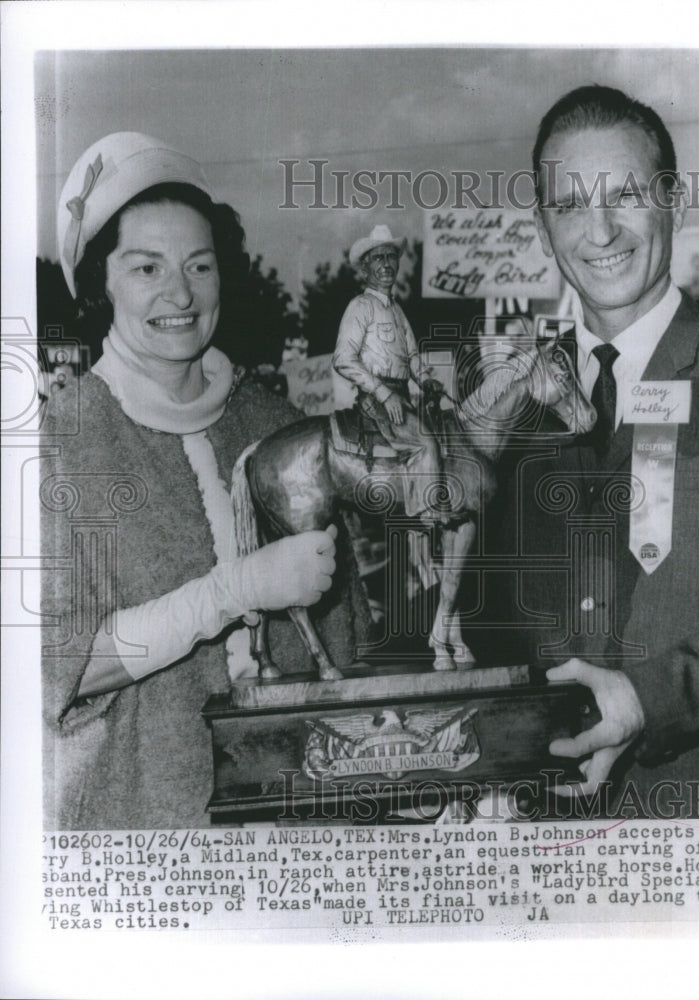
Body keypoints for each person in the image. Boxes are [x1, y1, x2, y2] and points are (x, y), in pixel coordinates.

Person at [41, 132, 370, 830]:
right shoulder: (60, 443)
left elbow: (350, 643)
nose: (180, 294)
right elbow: (62, 667)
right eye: (145, 268)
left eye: (198, 264)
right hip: (146, 826)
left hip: (303, 817)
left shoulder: (271, 418)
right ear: (100, 282)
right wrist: (233, 591)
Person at [489, 86, 699, 816]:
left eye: (626, 194)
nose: (599, 230)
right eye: (569, 205)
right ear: (543, 229)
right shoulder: (509, 402)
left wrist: (650, 699)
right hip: (537, 835)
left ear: (674, 201)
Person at [333, 225, 447, 520]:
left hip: (403, 396)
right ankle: (428, 516)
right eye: (378, 258)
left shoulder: (397, 310)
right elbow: (343, 359)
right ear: (365, 267)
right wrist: (384, 395)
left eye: (391, 257)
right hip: (378, 399)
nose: (386, 265)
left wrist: (425, 379)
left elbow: (411, 355)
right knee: (426, 443)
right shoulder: (360, 307)